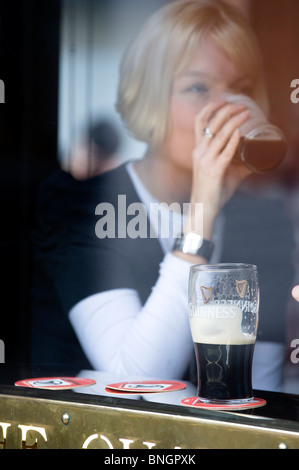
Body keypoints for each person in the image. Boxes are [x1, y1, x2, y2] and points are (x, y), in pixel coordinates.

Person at [31, 0, 294, 391]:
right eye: (198, 87)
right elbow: (140, 382)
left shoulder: (262, 220)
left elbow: (256, 394)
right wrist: (203, 208)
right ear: (150, 95)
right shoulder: (84, 204)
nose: (226, 110)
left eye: (240, 89)